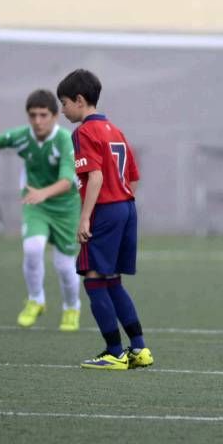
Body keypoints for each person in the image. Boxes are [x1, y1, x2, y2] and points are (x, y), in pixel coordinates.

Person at [56, 69, 154, 370]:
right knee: (113, 281)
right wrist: (121, 200)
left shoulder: (84, 132)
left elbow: (95, 176)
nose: (62, 110)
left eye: (64, 103)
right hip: (126, 207)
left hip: (106, 211)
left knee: (94, 280)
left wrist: (85, 218)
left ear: (80, 100)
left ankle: (114, 352)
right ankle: (138, 349)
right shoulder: (115, 130)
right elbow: (133, 177)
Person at [0, 89, 82, 331]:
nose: (38, 121)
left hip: (66, 209)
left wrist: (43, 193)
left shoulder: (65, 140)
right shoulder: (23, 136)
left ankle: (72, 307)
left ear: (54, 116)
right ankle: (36, 300)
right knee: (32, 248)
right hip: (36, 205)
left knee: (64, 266)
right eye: (33, 115)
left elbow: (66, 181)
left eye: (43, 115)